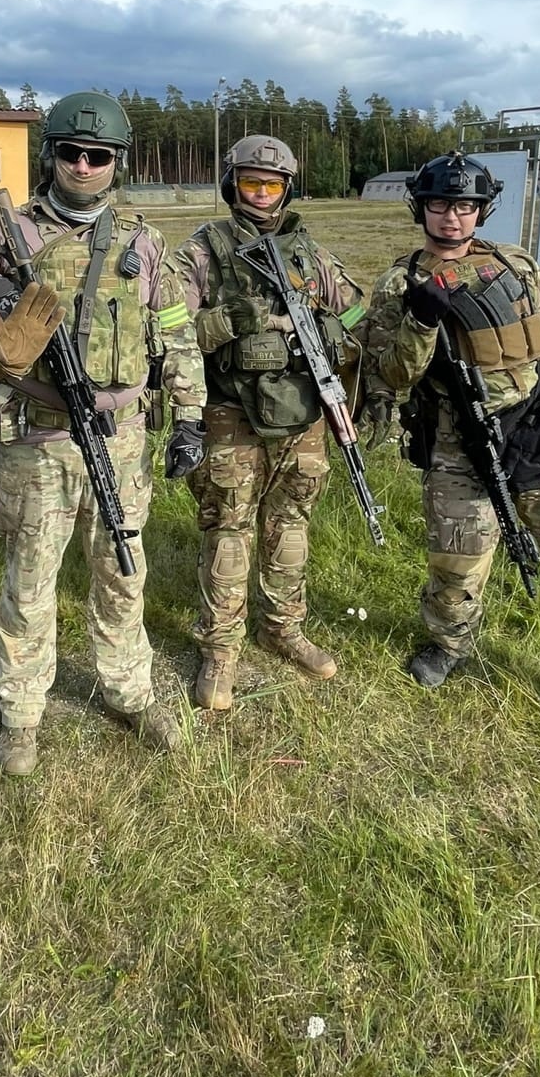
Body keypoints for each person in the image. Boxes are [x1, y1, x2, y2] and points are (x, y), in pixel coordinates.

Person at [0, 90, 207, 776]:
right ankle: (21, 715)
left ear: (117, 163)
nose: (84, 166)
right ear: (52, 156)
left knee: (123, 570)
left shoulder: (145, 244)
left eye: (98, 157)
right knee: (29, 584)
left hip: (120, 439)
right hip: (36, 436)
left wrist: (190, 417)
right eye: (72, 153)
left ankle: (129, 692)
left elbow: (175, 335)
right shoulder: (7, 235)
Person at [364, 152, 540, 751]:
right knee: (457, 564)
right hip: (459, 442)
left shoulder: (519, 267)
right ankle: (449, 643)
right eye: (440, 205)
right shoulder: (399, 284)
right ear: (421, 208)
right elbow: (394, 375)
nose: (453, 218)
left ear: (482, 210)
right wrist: (420, 321)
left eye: (465, 206)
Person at [174, 136, 366, 710]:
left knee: (290, 527)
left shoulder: (308, 251)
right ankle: (220, 651)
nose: (261, 195)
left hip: (303, 415)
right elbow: (169, 331)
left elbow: (355, 310)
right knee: (228, 533)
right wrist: (240, 318)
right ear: (232, 183)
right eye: (252, 183)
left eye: (273, 185)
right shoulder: (203, 251)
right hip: (231, 414)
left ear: (288, 189)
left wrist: (328, 331)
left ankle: (281, 629)